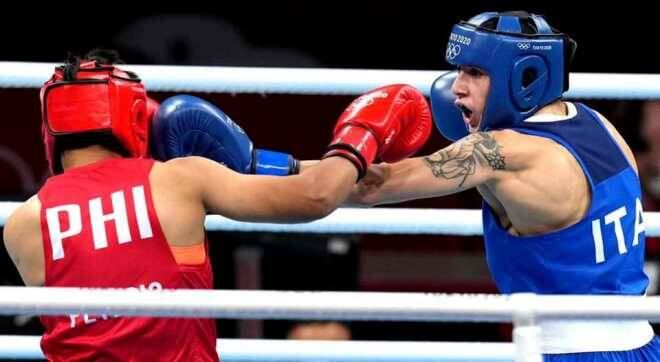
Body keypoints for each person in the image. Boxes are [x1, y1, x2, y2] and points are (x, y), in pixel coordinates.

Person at [2, 49, 432, 361]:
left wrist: (258, 164)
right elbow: (316, 194)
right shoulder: (178, 179)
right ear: (133, 116)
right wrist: (360, 137)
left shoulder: (22, 225)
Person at [339, 11, 660, 360]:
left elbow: (371, 186)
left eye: (474, 73)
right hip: (643, 345)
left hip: (568, 353)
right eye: (459, 70)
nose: (456, 87)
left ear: (525, 76)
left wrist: (314, 159)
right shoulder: (599, 125)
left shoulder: (499, 152)